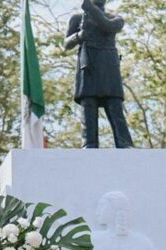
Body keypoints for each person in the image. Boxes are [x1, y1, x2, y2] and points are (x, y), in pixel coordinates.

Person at [64, 0, 134, 148]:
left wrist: (90, 9)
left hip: (109, 65)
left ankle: (124, 143)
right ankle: (89, 143)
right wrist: (80, 35)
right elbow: (66, 44)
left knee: (114, 105)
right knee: (88, 104)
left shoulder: (115, 18)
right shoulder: (77, 18)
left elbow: (108, 26)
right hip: (88, 64)